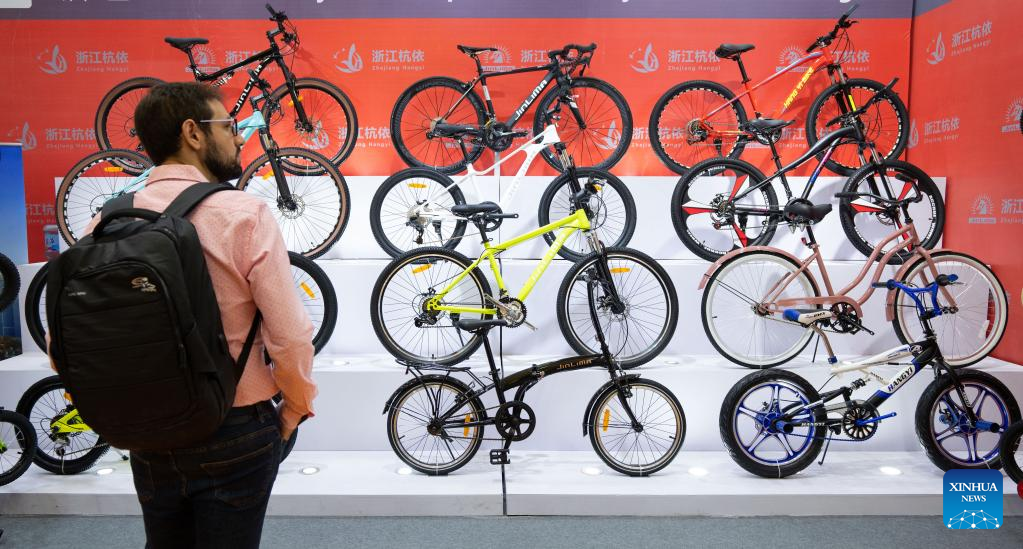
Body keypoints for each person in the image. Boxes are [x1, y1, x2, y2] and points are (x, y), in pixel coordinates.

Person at [74, 82, 317, 548]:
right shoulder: (243, 214)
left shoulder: (107, 221)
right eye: (227, 125)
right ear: (193, 133)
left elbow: (71, 338)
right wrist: (294, 409)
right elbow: (290, 336)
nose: (238, 137)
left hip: (148, 429)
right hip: (233, 424)